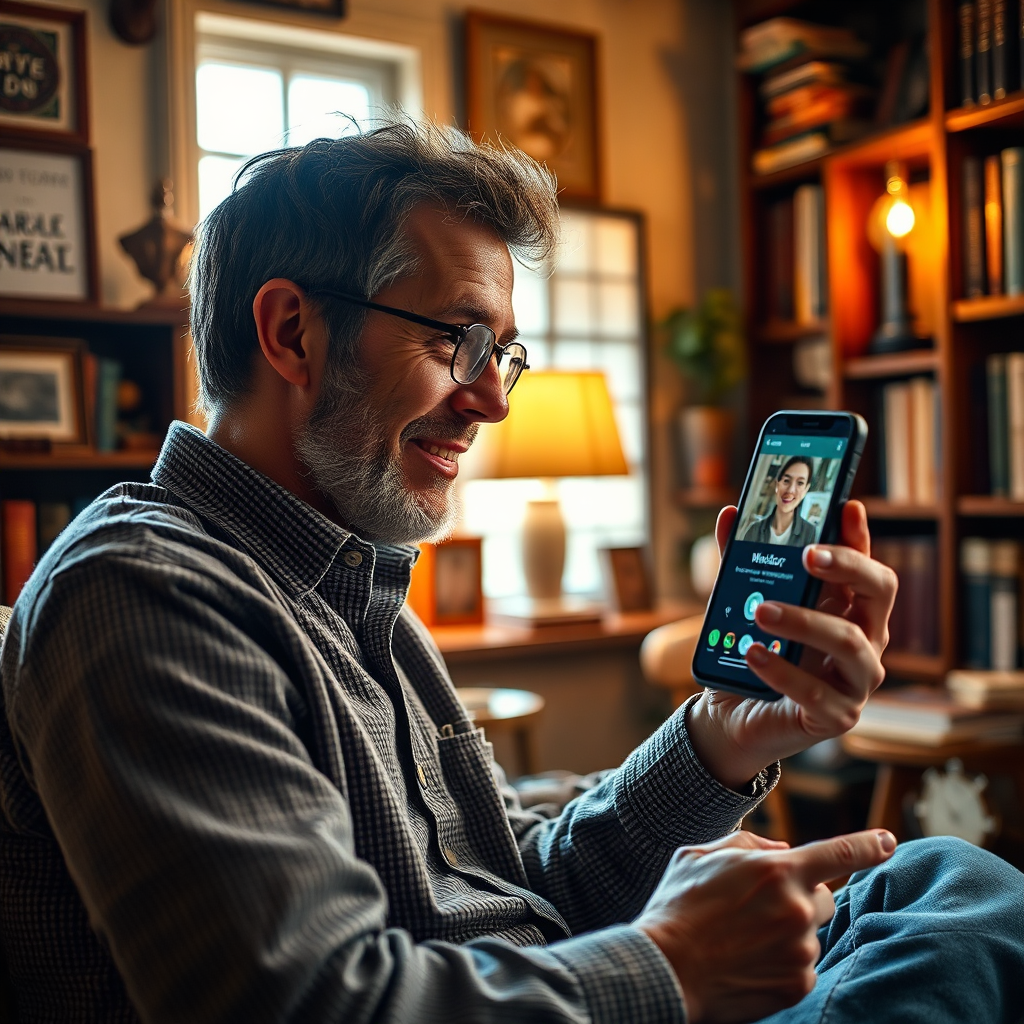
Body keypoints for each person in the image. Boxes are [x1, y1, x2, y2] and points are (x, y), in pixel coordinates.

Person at [0, 119, 1021, 1024]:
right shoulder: (143, 589)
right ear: (291, 331)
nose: (492, 400)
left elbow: (511, 884)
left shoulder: (356, 589)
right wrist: (672, 966)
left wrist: (721, 736)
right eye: (464, 340)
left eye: (507, 355)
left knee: (942, 882)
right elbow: (306, 999)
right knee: (964, 934)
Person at [741, 456, 817, 547]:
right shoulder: (754, 529)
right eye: (786, 481)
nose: (790, 490)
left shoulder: (811, 534)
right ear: (777, 484)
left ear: (806, 489)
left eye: (800, 483)